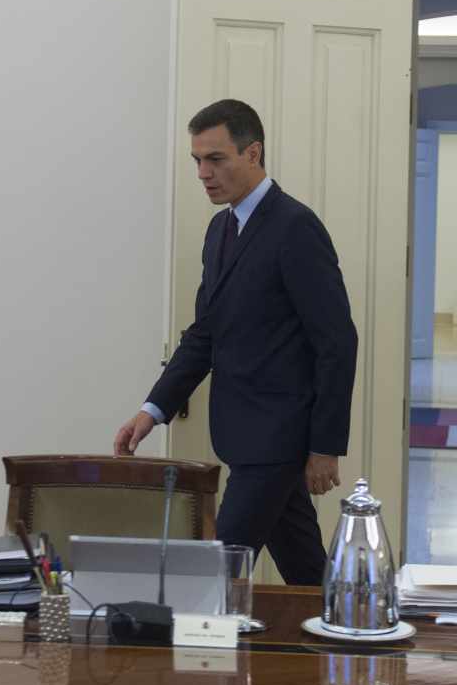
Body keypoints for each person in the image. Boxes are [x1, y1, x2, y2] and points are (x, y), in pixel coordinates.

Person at [113, 99, 357, 585]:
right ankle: (340, 650)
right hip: (243, 436)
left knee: (210, 577)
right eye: (197, 161)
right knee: (308, 576)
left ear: (253, 153)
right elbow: (205, 333)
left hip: (278, 440)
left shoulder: (294, 226)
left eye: (216, 159)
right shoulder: (220, 229)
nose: (204, 172)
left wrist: (325, 446)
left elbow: (337, 340)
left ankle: (195, 661)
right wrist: (152, 410)